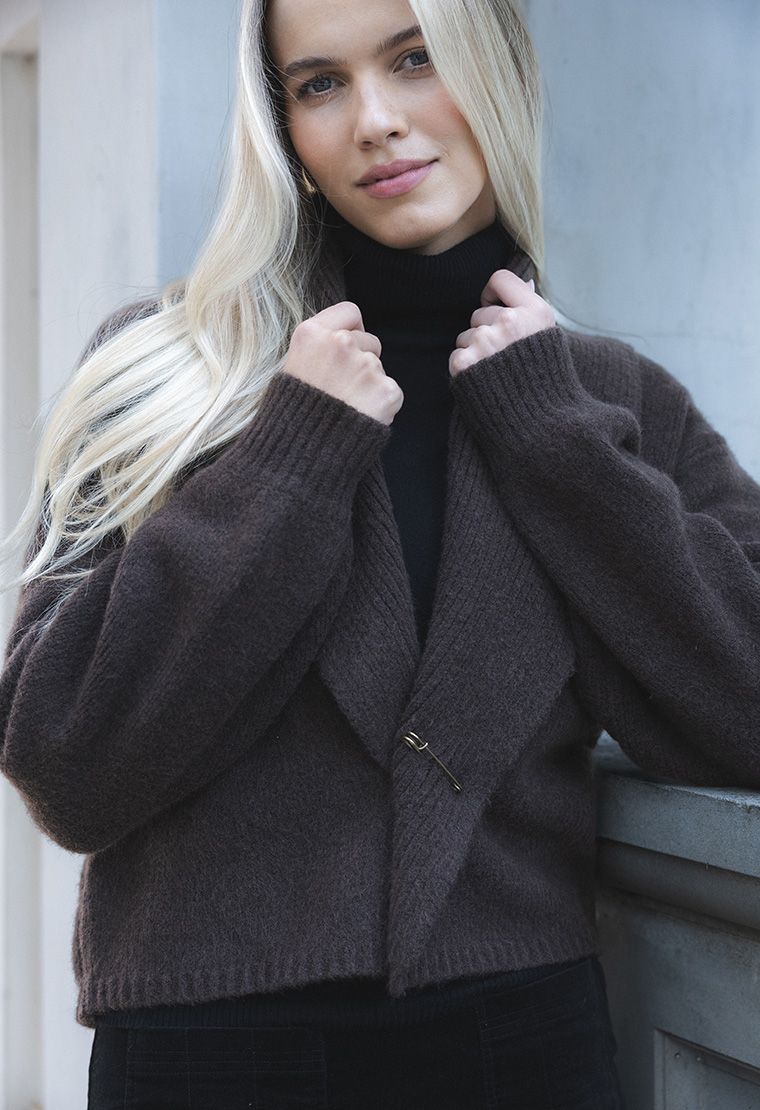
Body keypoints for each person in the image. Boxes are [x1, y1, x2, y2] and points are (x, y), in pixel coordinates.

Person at [1, 0, 759, 1105]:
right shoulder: (158, 373)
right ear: (284, 130)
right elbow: (63, 755)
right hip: (206, 1054)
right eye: (318, 84)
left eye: (416, 59)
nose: (374, 120)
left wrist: (557, 443)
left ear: (498, 69)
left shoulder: (611, 404)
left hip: (524, 1047)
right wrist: (293, 460)